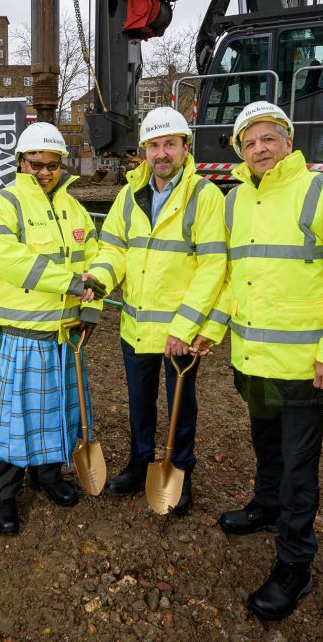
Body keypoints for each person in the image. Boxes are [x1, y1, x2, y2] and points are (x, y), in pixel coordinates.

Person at [193, 101, 323, 622]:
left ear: (288, 142)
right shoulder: (235, 203)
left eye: (268, 138)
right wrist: (212, 330)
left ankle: (295, 564)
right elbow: (233, 278)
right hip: (254, 358)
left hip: (303, 366)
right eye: (249, 143)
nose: (260, 149)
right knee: (265, 443)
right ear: (240, 153)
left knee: (300, 468)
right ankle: (266, 506)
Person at [86, 107, 226, 515]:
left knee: (181, 407)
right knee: (140, 402)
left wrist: (184, 328)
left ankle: (180, 472)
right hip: (136, 327)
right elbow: (113, 248)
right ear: (144, 151)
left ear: (185, 147)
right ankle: (140, 462)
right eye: (154, 145)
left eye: (169, 144)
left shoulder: (204, 196)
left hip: (178, 332)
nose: (161, 153)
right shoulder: (130, 195)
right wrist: (98, 279)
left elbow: (213, 265)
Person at [0, 122, 103, 536]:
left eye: (52, 164)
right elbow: (3, 258)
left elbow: (95, 259)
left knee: (56, 412)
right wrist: (67, 283)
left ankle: (47, 476)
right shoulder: (4, 203)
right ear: (21, 162)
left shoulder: (74, 207)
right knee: (15, 421)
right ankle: (4, 494)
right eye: (36, 164)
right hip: (22, 334)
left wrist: (91, 309)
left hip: (65, 332)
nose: (45, 172)